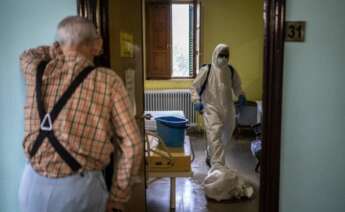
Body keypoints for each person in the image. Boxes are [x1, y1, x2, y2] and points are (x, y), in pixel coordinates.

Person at [18, 16, 143, 212]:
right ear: (97, 45)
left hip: (31, 185)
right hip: (77, 191)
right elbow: (133, 144)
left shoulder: (36, 70)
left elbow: (27, 54)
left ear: (58, 45)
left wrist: (57, 49)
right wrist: (118, 197)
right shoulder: (107, 80)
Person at [191, 43, 246, 169]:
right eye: (221, 55)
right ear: (215, 54)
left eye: (226, 56)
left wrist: (241, 95)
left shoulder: (231, 71)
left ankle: (211, 155)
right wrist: (196, 100)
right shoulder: (207, 70)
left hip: (228, 109)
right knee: (214, 135)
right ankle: (218, 167)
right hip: (211, 108)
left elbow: (237, 86)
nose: (224, 58)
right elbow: (194, 86)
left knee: (225, 136)